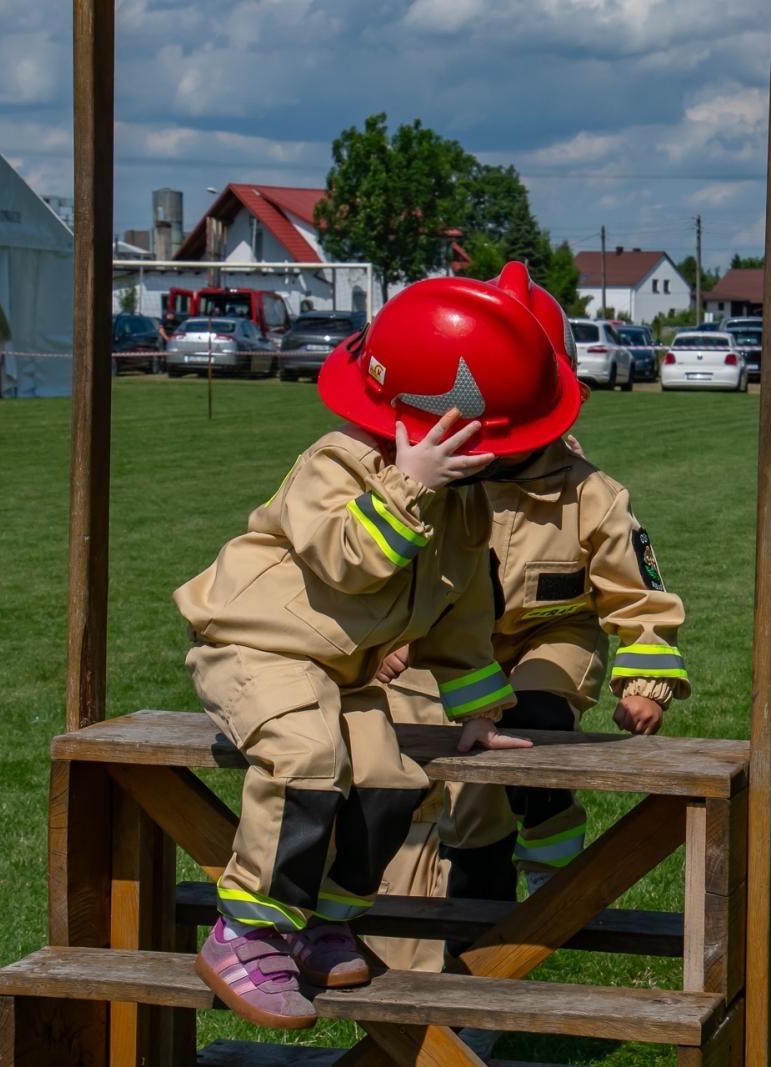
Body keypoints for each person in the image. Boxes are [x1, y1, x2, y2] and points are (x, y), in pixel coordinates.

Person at [176, 273, 584, 1029]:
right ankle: (247, 930)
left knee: (392, 774)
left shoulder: (458, 503)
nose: (501, 461)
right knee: (305, 758)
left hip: (339, 669)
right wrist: (407, 485)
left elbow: (460, 617)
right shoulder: (335, 462)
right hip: (257, 649)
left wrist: (480, 711)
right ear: (435, 418)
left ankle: (324, 917)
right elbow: (346, 557)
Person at [376, 265, 691, 930]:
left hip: (550, 640)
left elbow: (641, 601)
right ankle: (466, 938)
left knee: (533, 724)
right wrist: (384, 637)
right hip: (442, 654)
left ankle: (551, 863)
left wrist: (645, 681)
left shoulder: (590, 495)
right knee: (409, 780)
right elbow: (377, 565)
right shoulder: (430, 479)